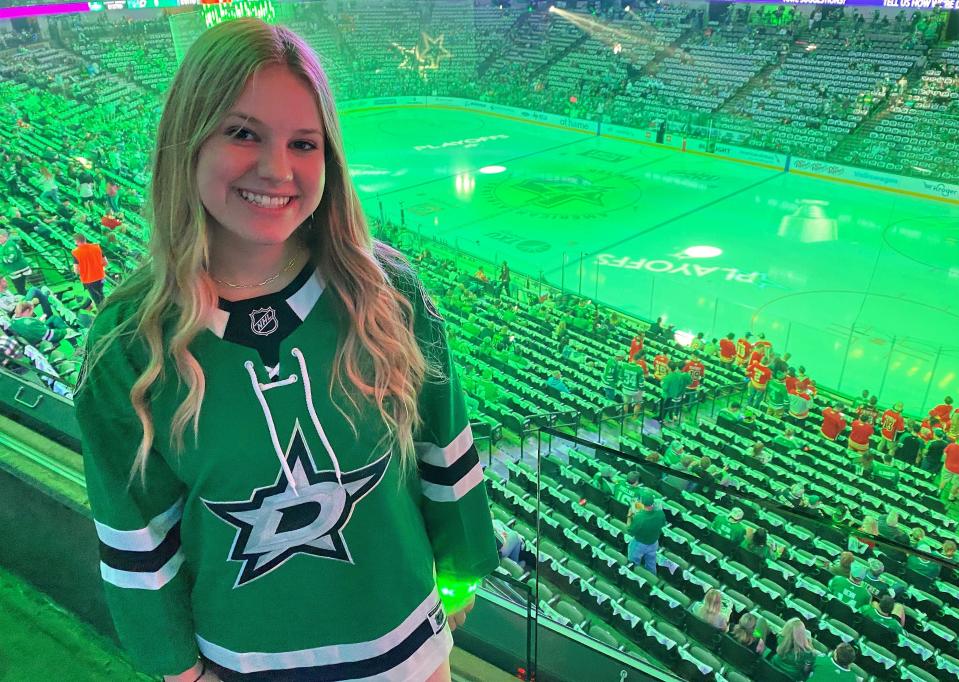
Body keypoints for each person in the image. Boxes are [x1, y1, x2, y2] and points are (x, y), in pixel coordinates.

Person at [74, 20, 497, 682]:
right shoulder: (129, 345)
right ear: (188, 139)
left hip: (408, 654)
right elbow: (137, 536)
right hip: (242, 665)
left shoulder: (388, 292)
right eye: (243, 132)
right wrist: (178, 671)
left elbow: (444, 448)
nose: (277, 169)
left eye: (303, 142)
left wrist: (461, 575)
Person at [626, 489, 666, 573]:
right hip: (654, 543)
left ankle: (633, 576)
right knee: (651, 564)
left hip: (639, 544)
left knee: (633, 563)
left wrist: (629, 516)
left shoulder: (640, 518)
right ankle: (652, 581)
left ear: (642, 503)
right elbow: (662, 525)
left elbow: (630, 531)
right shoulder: (660, 513)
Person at [71, 233, 108, 306]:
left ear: (76, 241)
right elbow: (105, 262)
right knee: (101, 294)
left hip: (88, 280)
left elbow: (76, 270)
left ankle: (102, 312)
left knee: (96, 299)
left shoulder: (75, 252)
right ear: (85, 239)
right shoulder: (96, 247)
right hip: (100, 276)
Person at [0, 228, 32, 295]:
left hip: (17, 269)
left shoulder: (9, 244)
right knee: (20, 289)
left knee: (20, 289)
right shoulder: (3, 245)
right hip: (13, 270)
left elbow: (12, 258)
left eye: (0, 237)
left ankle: (27, 301)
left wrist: (2, 258)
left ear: (5, 236)